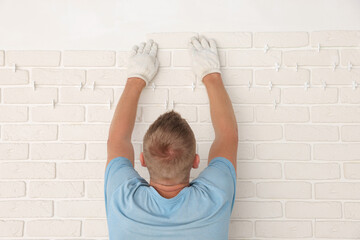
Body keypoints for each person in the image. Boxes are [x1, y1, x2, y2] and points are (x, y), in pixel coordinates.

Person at [105, 36, 238, 240]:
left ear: (142, 160)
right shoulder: (215, 197)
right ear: (195, 160)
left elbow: (117, 140)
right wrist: (211, 75)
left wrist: (136, 78)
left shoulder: (123, 198)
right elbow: (227, 136)